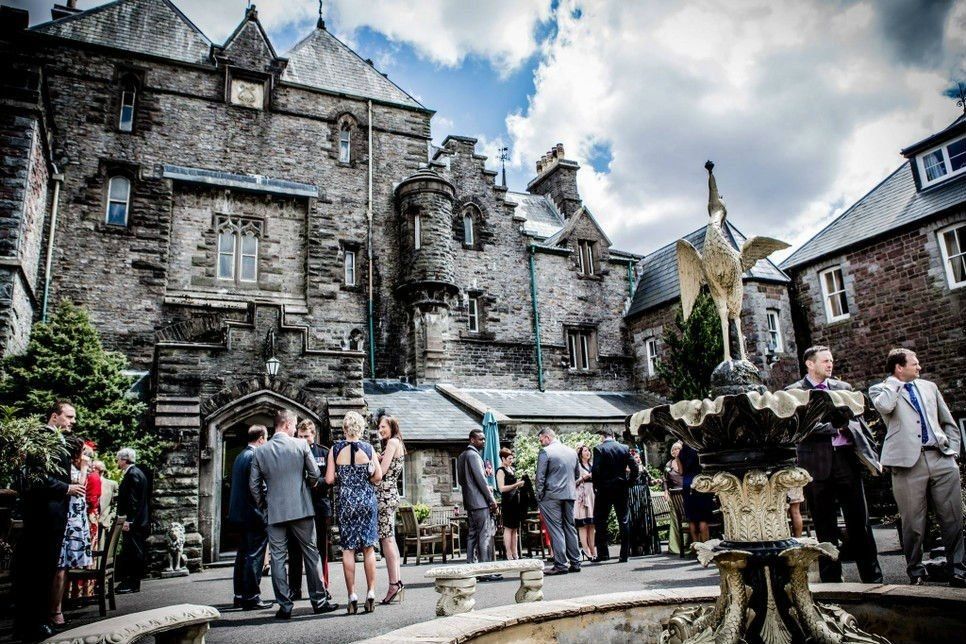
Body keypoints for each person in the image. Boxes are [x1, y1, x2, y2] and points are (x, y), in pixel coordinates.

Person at [787, 345, 883, 584]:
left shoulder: (843, 388)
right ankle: (831, 580)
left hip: (846, 460)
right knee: (824, 524)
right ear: (810, 364)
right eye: (825, 361)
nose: (830, 365)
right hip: (816, 464)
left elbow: (857, 421)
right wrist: (834, 426)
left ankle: (873, 577)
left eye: (831, 360)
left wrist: (867, 449)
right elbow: (799, 428)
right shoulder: (795, 392)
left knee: (859, 521)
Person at [869, 348, 965, 587]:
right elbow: (885, 407)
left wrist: (953, 451)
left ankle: (958, 570)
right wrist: (894, 382)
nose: (919, 367)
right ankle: (916, 571)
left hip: (941, 458)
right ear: (899, 367)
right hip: (907, 465)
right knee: (913, 523)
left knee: (953, 519)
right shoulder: (881, 389)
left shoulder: (929, 387)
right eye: (914, 364)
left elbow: (948, 421)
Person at [250, 410, 338, 619]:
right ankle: (319, 601)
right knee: (311, 553)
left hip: (275, 512)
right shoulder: (300, 446)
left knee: (279, 559)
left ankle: (285, 606)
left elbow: (254, 486)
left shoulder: (261, 452)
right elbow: (315, 475)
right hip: (302, 509)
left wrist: (265, 505)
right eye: (294, 425)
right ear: (288, 425)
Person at [13, 400, 78, 642]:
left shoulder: (56, 439)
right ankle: (32, 624)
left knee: (46, 568)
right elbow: (36, 477)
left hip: (53, 514)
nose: (73, 422)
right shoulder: (43, 439)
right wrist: (66, 487)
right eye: (69, 417)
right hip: (43, 515)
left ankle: (38, 621)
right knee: (37, 569)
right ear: (54, 416)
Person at [325, 411, 382, 614]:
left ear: (345, 428)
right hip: (367, 501)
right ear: (361, 428)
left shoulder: (335, 449)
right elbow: (378, 477)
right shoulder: (368, 448)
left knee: (348, 549)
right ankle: (371, 592)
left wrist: (343, 477)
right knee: (368, 548)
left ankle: (352, 595)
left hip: (347, 502)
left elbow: (329, 479)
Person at [229, 425, 272, 611]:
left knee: (242, 554)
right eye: (267, 438)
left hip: (238, 513)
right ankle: (252, 596)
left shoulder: (240, 456)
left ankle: (239, 594)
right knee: (255, 555)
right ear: (261, 438)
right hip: (253, 513)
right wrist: (266, 506)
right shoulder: (255, 456)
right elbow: (258, 486)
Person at [288, 419, 333, 601]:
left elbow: (331, 479)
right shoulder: (291, 453)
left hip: (319, 507)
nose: (304, 439)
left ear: (313, 435)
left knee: (321, 550)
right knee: (294, 550)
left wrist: (314, 482)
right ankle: (294, 589)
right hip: (297, 507)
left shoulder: (324, 452)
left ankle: (323, 586)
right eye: (300, 436)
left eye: (306, 436)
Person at [50, 436, 91, 628]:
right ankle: (55, 609)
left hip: (74, 518)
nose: (84, 455)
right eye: (82, 451)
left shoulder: (72, 466)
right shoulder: (70, 468)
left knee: (64, 566)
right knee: (60, 566)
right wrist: (83, 467)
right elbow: (80, 487)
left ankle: (58, 606)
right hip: (68, 518)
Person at [535, 428, 581, 575]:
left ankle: (561, 564)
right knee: (570, 527)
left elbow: (540, 477)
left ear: (547, 437)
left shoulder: (546, 452)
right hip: (569, 494)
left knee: (556, 529)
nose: (541, 443)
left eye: (541, 440)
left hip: (551, 496)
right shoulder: (572, 452)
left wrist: (539, 495)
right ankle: (575, 561)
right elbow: (577, 474)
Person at [591, 428, 638, 563]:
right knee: (623, 520)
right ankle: (624, 554)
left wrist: (596, 486)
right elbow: (634, 466)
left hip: (604, 489)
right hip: (621, 487)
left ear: (602, 437)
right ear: (613, 435)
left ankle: (603, 554)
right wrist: (630, 482)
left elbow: (595, 470)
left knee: (601, 521)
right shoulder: (623, 448)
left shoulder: (599, 449)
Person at [457, 429, 498, 574]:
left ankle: (470, 566)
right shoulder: (474, 456)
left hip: (469, 502)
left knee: (472, 535)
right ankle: (485, 570)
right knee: (484, 535)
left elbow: (462, 481)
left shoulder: (461, 456)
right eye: (481, 439)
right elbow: (481, 480)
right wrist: (492, 500)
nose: (484, 442)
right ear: (472, 440)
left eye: (484, 439)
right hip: (480, 502)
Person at [375, 414, 405, 604]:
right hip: (390, 494)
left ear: (392, 427)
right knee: (390, 540)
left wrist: (374, 459)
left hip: (385, 495)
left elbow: (382, 472)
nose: (380, 429)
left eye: (384, 426)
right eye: (379, 426)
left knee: (387, 540)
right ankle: (397, 582)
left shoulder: (392, 443)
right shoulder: (395, 443)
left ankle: (394, 583)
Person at [115, 447, 149, 594]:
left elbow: (133, 500)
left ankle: (132, 582)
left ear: (124, 459)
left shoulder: (133, 474)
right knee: (132, 551)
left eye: (118, 459)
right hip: (137, 521)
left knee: (133, 551)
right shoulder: (137, 473)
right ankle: (130, 581)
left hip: (134, 522)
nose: (116, 461)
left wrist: (129, 520)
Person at [627, 449, 660, 556]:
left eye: (639, 457)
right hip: (633, 494)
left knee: (645, 520)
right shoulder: (627, 469)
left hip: (644, 496)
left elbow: (650, 481)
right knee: (635, 520)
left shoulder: (643, 468)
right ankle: (636, 547)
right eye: (636, 457)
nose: (638, 459)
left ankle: (647, 546)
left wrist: (657, 481)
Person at [679, 444, 712, 544]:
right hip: (700, 482)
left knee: (692, 519)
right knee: (703, 518)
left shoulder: (681, 453)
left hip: (687, 483)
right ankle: (706, 546)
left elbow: (681, 471)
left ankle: (696, 548)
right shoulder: (699, 449)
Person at [497, 447, 525, 560]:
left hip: (515, 501)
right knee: (508, 528)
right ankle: (508, 553)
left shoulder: (511, 469)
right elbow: (501, 488)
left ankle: (515, 552)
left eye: (512, 458)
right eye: (509, 458)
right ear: (503, 458)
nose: (511, 460)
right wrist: (516, 485)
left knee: (515, 528)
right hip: (507, 501)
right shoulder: (500, 471)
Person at [573, 444, 596, 561]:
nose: (588, 453)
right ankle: (585, 550)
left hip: (592, 494)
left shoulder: (592, 465)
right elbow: (573, 482)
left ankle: (593, 549)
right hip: (582, 495)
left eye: (589, 451)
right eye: (585, 451)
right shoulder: (578, 466)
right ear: (581, 453)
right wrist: (584, 478)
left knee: (591, 525)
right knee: (583, 525)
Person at [94, 460, 117, 548]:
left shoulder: (112, 484)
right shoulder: (86, 482)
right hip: (88, 522)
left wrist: (109, 518)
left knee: (101, 549)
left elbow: (116, 505)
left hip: (103, 523)